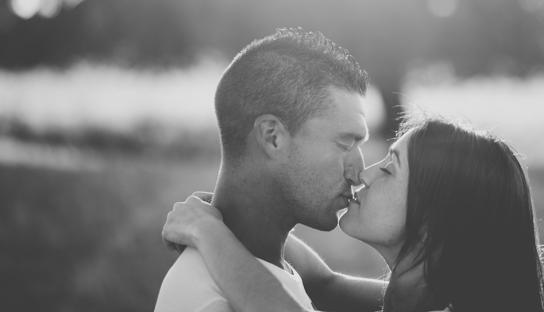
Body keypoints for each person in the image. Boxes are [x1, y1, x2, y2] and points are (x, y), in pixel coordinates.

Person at [163, 111, 544, 312]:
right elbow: (323, 284)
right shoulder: (427, 297)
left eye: (390, 169)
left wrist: (207, 232)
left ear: (434, 221)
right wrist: (237, 212)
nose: (365, 174)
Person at [153, 28, 387, 312]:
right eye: (344, 144)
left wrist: (211, 227)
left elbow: (325, 284)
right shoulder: (213, 301)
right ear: (272, 137)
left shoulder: (268, 265)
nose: (358, 173)